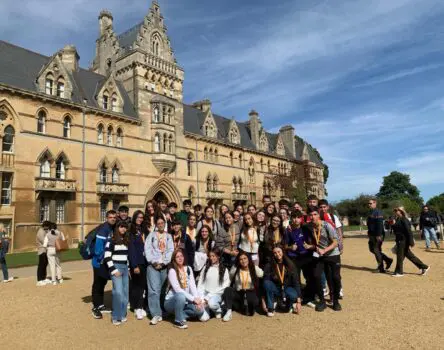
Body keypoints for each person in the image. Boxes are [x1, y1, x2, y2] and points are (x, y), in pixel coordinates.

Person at [305, 208, 342, 312]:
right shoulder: (309, 227)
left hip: (332, 254)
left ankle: (335, 301)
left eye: (315, 214)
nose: (313, 217)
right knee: (316, 275)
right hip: (319, 255)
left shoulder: (327, 225)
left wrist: (324, 250)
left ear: (319, 215)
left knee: (335, 277)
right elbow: (314, 242)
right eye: (310, 215)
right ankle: (322, 301)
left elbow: (335, 242)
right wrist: (311, 247)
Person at [164, 249, 208, 329]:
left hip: (185, 302)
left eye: (181, 256)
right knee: (181, 296)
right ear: (174, 259)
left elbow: (193, 286)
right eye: (177, 257)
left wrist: (197, 300)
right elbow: (178, 290)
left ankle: (180, 314)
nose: (180, 258)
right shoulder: (172, 271)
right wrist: (193, 299)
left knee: (200, 310)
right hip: (171, 303)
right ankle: (178, 321)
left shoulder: (188, 268)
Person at [145, 216, 174, 325]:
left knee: (162, 290)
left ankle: (161, 310)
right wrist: (153, 262)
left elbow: (171, 250)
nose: (161, 225)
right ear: (156, 224)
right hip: (153, 266)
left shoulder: (168, 236)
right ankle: (155, 314)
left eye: (162, 223)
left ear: (165, 224)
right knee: (153, 290)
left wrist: (164, 263)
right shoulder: (151, 236)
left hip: (164, 266)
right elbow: (147, 249)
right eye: (159, 223)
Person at [285, 211, 315, 305]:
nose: (296, 219)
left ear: (301, 218)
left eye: (298, 217)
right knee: (296, 279)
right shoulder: (288, 230)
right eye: (293, 217)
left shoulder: (306, 228)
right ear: (291, 219)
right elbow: (284, 245)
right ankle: (298, 297)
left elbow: (314, 242)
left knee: (309, 277)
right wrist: (290, 247)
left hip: (306, 256)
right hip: (294, 258)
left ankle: (309, 297)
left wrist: (309, 246)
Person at [91, 210, 117, 319]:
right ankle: (96, 306)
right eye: (110, 217)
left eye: (114, 217)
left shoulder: (112, 228)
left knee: (102, 282)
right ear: (107, 218)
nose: (112, 219)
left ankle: (100, 304)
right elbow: (98, 249)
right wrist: (105, 258)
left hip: (105, 261)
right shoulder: (103, 229)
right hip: (99, 262)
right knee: (98, 283)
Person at [263, 246, 301, 316]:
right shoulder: (269, 265)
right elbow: (266, 281)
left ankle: (289, 305)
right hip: (276, 288)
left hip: (287, 288)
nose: (277, 254)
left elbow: (296, 282)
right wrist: (263, 300)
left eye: (279, 252)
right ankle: (270, 307)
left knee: (293, 295)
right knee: (266, 283)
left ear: (282, 252)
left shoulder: (290, 264)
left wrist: (298, 302)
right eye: (275, 253)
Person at [104, 221, 130, 325]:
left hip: (124, 268)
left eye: (125, 227)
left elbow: (127, 257)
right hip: (116, 268)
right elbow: (107, 256)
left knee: (125, 293)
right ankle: (115, 316)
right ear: (117, 228)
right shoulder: (111, 240)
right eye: (121, 227)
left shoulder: (126, 241)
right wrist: (114, 270)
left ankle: (122, 314)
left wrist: (127, 268)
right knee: (118, 292)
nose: (123, 229)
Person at [392, 207, 430, 277]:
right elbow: (396, 230)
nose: (395, 212)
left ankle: (399, 272)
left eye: (396, 210)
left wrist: (411, 241)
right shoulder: (398, 219)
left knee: (400, 256)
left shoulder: (404, 219)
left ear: (401, 211)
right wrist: (394, 225)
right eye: (395, 211)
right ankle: (424, 267)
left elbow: (408, 231)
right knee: (410, 256)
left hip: (403, 240)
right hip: (399, 240)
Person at [224, 252, 264, 317]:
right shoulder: (235, 268)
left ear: (248, 259)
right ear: (238, 261)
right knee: (228, 290)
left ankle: (245, 307)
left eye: (245, 258)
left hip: (250, 292)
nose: (243, 261)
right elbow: (230, 279)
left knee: (252, 309)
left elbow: (263, 275)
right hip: (239, 292)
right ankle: (228, 311)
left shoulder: (254, 268)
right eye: (241, 259)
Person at [197, 248, 230, 320]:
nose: (211, 258)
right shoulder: (205, 268)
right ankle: (209, 310)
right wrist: (201, 299)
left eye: (213, 256)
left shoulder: (224, 269)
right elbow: (200, 284)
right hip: (205, 295)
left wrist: (208, 298)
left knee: (212, 304)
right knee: (203, 318)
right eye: (210, 256)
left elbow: (224, 286)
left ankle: (218, 310)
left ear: (218, 257)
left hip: (216, 295)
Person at [128, 210, 147, 320]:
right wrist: (134, 265)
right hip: (136, 262)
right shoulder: (132, 230)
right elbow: (132, 249)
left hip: (144, 261)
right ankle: (136, 307)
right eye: (138, 217)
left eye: (141, 217)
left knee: (141, 285)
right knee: (136, 286)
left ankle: (140, 306)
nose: (140, 219)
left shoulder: (142, 230)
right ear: (135, 218)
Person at [367, 198, 393, 273]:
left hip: (377, 235)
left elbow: (379, 224)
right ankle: (388, 260)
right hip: (372, 235)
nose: (369, 205)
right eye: (368, 203)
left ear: (375, 203)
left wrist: (378, 235)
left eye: (370, 203)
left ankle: (381, 268)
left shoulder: (378, 212)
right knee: (372, 249)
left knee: (376, 249)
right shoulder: (371, 212)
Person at [36, 221, 51, 286]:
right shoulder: (40, 232)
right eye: (48, 226)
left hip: (45, 250)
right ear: (45, 226)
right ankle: (39, 280)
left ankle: (43, 278)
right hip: (42, 250)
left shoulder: (44, 231)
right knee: (41, 265)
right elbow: (43, 241)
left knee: (45, 264)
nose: (48, 228)